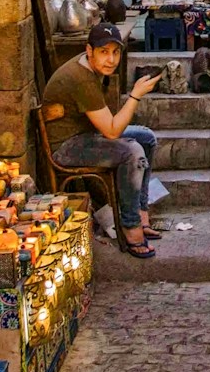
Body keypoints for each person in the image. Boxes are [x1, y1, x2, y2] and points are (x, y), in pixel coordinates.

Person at [41, 24, 162, 258]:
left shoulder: (93, 69)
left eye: (115, 52)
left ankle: (140, 212)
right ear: (89, 51)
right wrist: (136, 95)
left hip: (86, 134)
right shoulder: (81, 78)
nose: (111, 59)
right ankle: (130, 227)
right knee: (132, 151)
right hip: (66, 147)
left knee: (146, 139)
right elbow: (113, 131)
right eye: (104, 52)